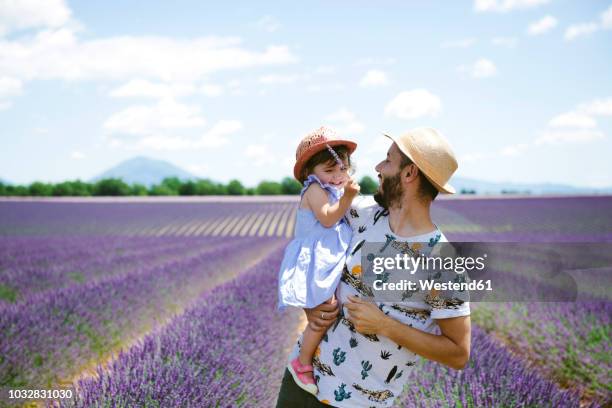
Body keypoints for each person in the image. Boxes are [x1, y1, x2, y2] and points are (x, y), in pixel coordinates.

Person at [276, 127, 472, 407]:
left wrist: (385, 325)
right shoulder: (361, 213)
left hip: (356, 402)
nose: (377, 168)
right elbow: (310, 239)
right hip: (302, 381)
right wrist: (311, 304)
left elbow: (458, 354)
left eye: (388, 160)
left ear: (409, 174)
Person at [277, 126, 361, 396]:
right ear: (309, 173)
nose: (338, 177)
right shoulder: (314, 190)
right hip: (315, 262)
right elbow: (327, 217)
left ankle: (313, 356)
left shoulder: (328, 187)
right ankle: (302, 363)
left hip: (326, 260)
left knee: (330, 309)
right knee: (325, 310)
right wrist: (348, 197)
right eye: (330, 171)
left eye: (343, 169)